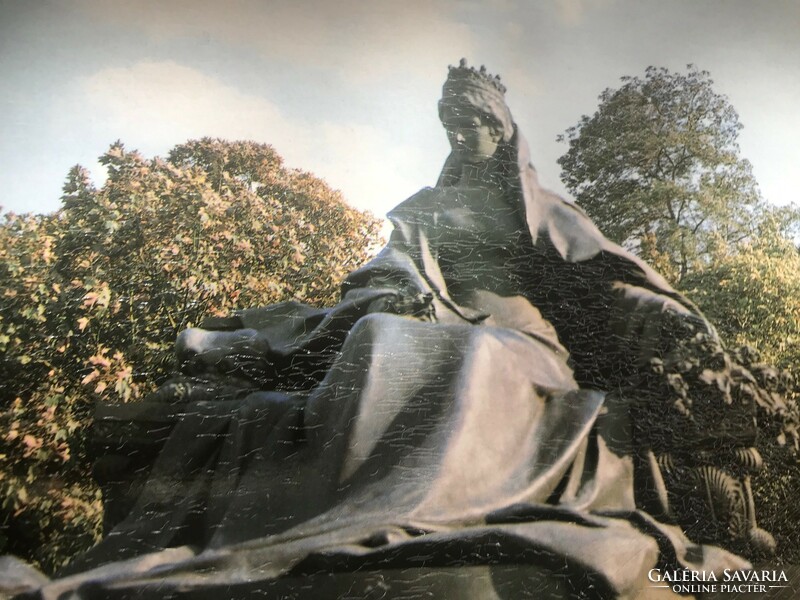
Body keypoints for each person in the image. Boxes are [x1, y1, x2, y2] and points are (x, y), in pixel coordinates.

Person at [26, 60, 772, 599]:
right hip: (432, 319)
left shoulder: (535, 206)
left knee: (475, 357)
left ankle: (413, 502)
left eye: (478, 122)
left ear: (502, 128)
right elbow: (387, 270)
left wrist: (679, 328)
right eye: (454, 123)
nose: (464, 132)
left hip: (522, 340)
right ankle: (358, 511)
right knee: (378, 338)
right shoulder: (424, 208)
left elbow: (612, 278)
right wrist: (405, 291)